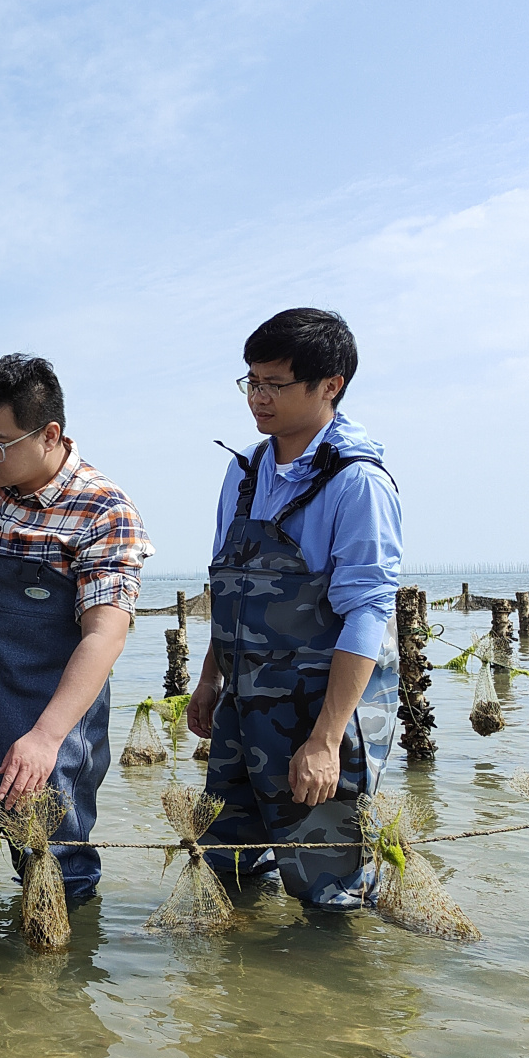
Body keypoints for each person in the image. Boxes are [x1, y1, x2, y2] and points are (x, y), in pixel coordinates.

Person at [0, 355, 151, 899]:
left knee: (52, 869)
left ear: (50, 435)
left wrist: (45, 737)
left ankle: (51, 984)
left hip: (45, 716)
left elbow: (105, 634)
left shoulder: (104, 512)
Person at [187, 309, 400, 909]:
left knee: (329, 889)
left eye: (275, 384)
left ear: (329, 385)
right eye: (251, 381)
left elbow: (366, 611)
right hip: (243, 702)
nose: (258, 397)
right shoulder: (244, 472)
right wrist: (209, 681)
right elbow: (230, 584)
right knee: (226, 867)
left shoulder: (357, 483)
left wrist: (326, 740)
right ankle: (241, 1000)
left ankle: (327, 1003)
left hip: (318, 709)